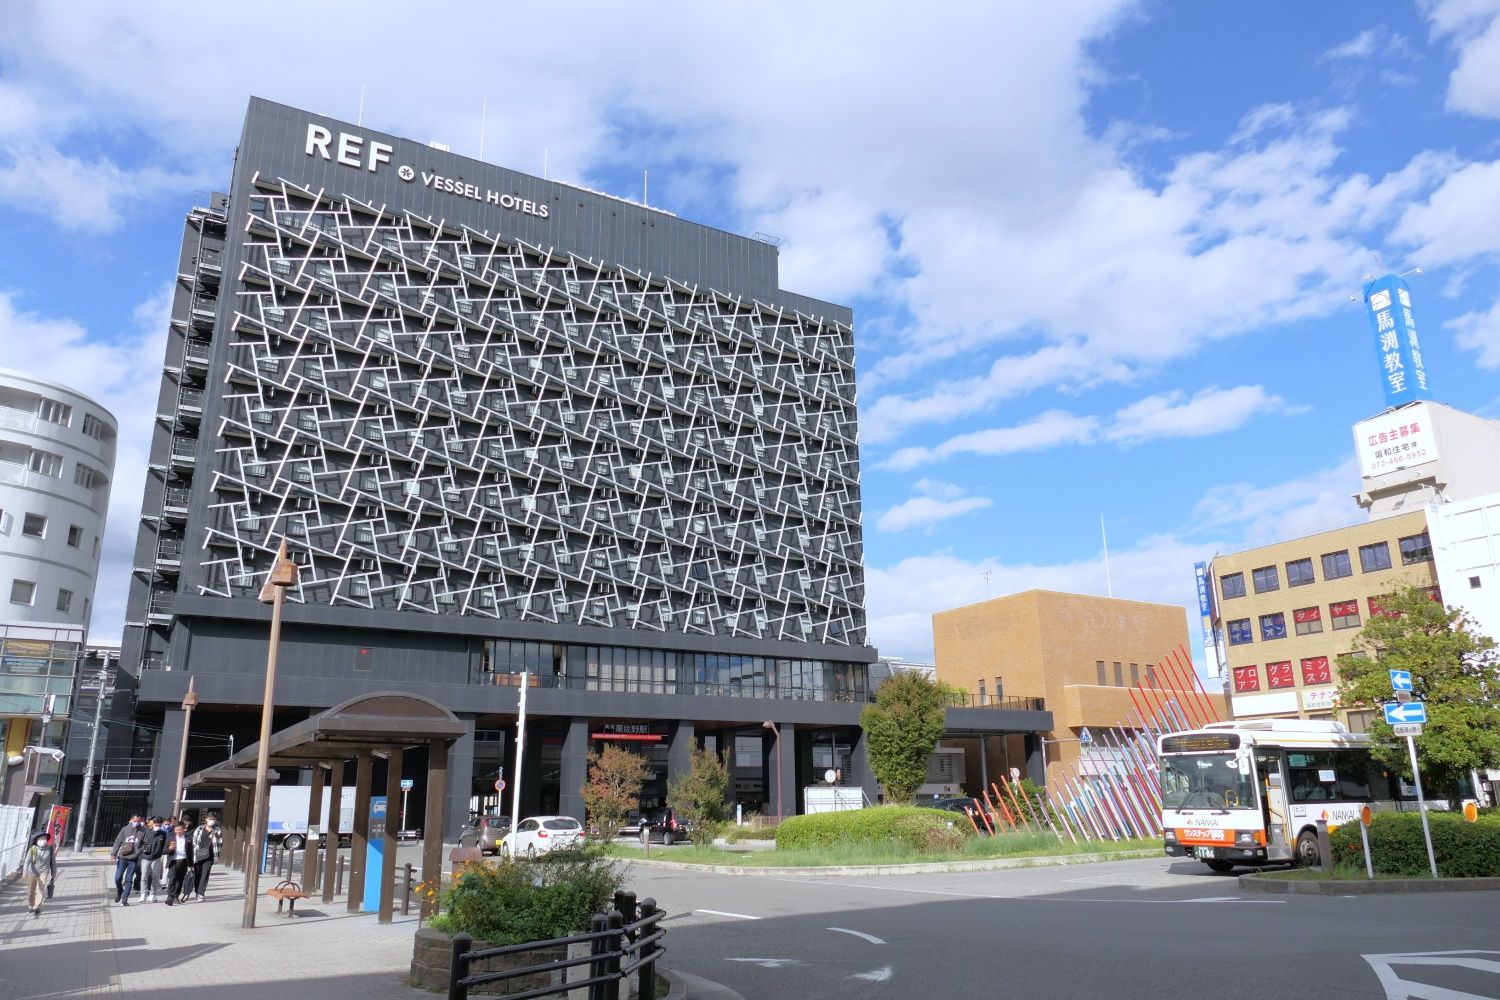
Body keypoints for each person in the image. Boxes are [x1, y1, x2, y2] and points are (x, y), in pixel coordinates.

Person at [110, 815, 147, 906]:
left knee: (129, 879)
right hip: (122, 857)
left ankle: (124, 899)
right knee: (117, 878)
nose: (136, 823)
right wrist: (113, 853)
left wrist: (138, 851)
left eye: (138, 821)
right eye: (135, 820)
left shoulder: (143, 830)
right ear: (131, 820)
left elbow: (146, 843)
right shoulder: (125, 829)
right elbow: (118, 841)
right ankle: (120, 891)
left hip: (133, 859)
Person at [190, 813, 222, 902]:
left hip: (210, 855)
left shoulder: (217, 830)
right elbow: (194, 841)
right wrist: (194, 854)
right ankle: (197, 891)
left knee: (205, 875)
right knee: (198, 874)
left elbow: (220, 844)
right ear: (206, 819)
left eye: (213, 819)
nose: (212, 821)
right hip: (199, 854)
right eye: (210, 819)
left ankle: (201, 893)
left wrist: (217, 856)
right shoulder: (199, 829)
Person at [163, 821, 193, 905]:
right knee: (172, 879)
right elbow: (163, 851)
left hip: (183, 861)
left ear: (184, 829)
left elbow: (191, 852)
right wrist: (169, 849)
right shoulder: (170, 838)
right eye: (176, 830)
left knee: (180, 880)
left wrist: (191, 864)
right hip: (173, 861)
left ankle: (176, 896)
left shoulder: (188, 838)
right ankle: (170, 896)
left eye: (180, 829)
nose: (178, 831)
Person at [25, 832, 55, 916]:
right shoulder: (33, 849)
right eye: (41, 839)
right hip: (32, 871)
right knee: (31, 889)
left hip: (44, 871)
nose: (44, 840)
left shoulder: (49, 849)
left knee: (40, 888)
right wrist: (25, 871)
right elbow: (27, 861)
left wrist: (54, 872)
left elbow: (53, 861)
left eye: (45, 839)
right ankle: (31, 904)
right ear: (37, 841)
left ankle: (37, 906)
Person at [139, 818, 167, 903]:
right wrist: (143, 849)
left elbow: (164, 845)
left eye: (159, 825)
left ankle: (153, 894)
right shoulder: (147, 832)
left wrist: (160, 852)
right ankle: (143, 894)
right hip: (146, 857)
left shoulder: (163, 833)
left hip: (157, 858)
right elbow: (140, 844)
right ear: (153, 824)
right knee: (144, 876)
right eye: (156, 825)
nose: (157, 826)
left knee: (155, 876)